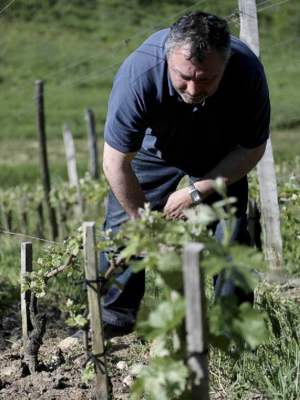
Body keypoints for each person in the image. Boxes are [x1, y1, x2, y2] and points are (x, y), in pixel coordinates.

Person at [100, 11, 270, 332]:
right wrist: (149, 228)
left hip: (220, 152)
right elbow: (115, 164)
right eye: (184, 77)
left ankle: (232, 330)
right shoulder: (139, 74)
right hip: (157, 145)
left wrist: (198, 190)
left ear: (226, 63)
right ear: (168, 58)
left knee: (231, 236)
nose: (193, 90)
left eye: (207, 79)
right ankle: (112, 321)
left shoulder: (247, 73)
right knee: (124, 227)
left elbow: (252, 148)